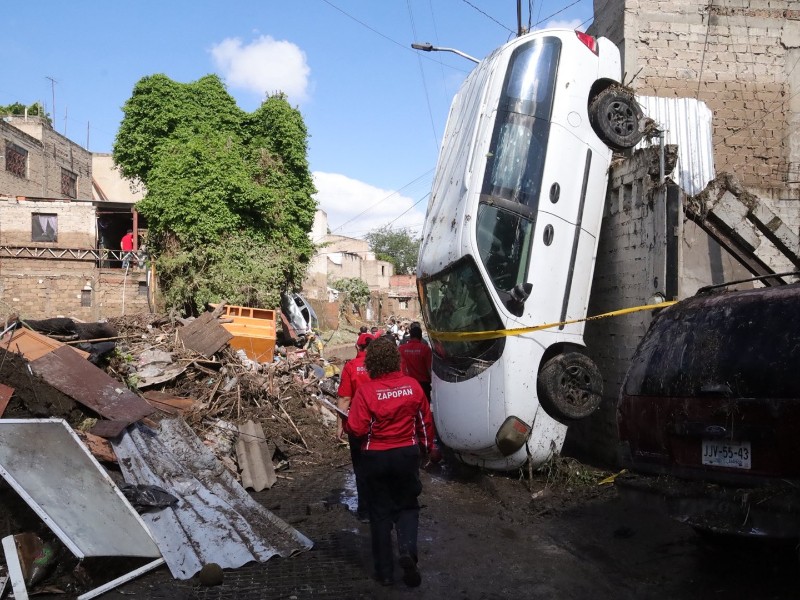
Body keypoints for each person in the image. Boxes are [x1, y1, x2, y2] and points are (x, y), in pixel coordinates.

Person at [344, 336, 441, 588]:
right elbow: (424, 422)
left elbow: (356, 429)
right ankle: (408, 552)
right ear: (396, 360)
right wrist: (427, 449)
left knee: (379, 513)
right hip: (406, 456)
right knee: (408, 506)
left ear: (374, 363)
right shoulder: (413, 387)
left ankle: (385, 573)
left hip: (374, 457)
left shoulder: (366, 392)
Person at [336, 332, 373, 522]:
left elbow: (344, 399)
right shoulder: (381, 366)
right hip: (381, 425)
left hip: (358, 424)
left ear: (357, 348)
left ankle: (365, 510)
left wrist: (340, 426)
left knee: (361, 467)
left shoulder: (351, 366)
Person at [398, 324, 433, 402]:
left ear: (410, 336)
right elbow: (430, 368)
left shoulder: (401, 349)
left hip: (407, 384)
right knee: (425, 407)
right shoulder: (425, 349)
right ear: (420, 336)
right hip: (423, 384)